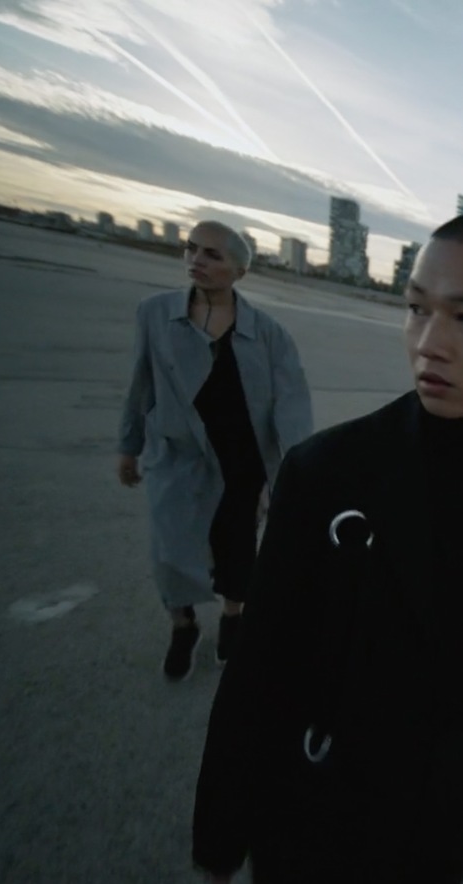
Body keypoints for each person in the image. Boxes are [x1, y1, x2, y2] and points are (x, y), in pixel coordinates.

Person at [191, 212, 463, 884]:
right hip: (337, 801)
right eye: (416, 307)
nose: (428, 341)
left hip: (453, 803)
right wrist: (222, 829)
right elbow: (261, 664)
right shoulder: (329, 472)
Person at [117, 220, 314, 681]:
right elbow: (140, 383)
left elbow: (292, 406)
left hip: (241, 462)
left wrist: (294, 474)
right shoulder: (154, 313)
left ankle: (233, 617)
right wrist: (129, 446)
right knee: (170, 548)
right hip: (176, 455)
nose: (196, 261)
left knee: (236, 548)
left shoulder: (269, 334)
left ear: (239, 271)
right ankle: (182, 626)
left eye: (212, 255)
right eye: (191, 249)